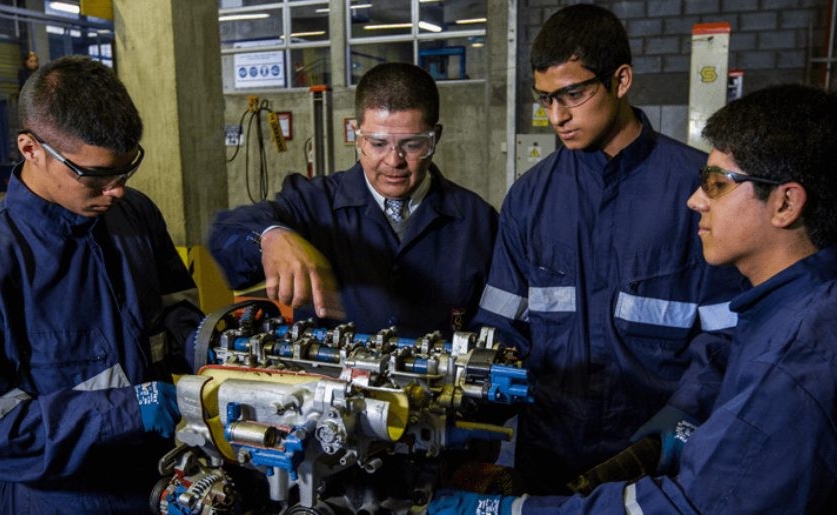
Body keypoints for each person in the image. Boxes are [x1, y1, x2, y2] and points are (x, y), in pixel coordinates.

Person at [429, 83, 837, 514]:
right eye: (546, 98)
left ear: (786, 203)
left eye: (716, 184)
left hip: (642, 436)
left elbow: (681, 508)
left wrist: (507, 512)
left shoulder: (792, 364)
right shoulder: (790, 310)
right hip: (553, 439)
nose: (695, 199)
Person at [470, 4, 746, 495]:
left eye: (573, 94)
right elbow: (501, 323)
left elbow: (730, 334)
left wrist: (677, 422)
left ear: (621, 80)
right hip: (549, 454)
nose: (557, 116)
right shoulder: (530, 199)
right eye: (546, 99)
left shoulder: (697, 193)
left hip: (655, 458)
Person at [0, 55, 203, 513]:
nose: (117, 189)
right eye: (96, 175)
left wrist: (212, 348)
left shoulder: (135, 214)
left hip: (162, 479)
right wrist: (131, 409)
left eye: (126, 170)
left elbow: (175, 306)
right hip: (62, 499)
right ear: (30, 149)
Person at [208, 62, 498, 337]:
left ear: (435, 137)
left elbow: (498, 327)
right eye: (378, 143)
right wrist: (270, 236)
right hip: (329, 386)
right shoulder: (312, 205)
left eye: (412, 144)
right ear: (358, 138)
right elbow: (225, 233)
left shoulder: (479, 222)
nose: (393, 161)